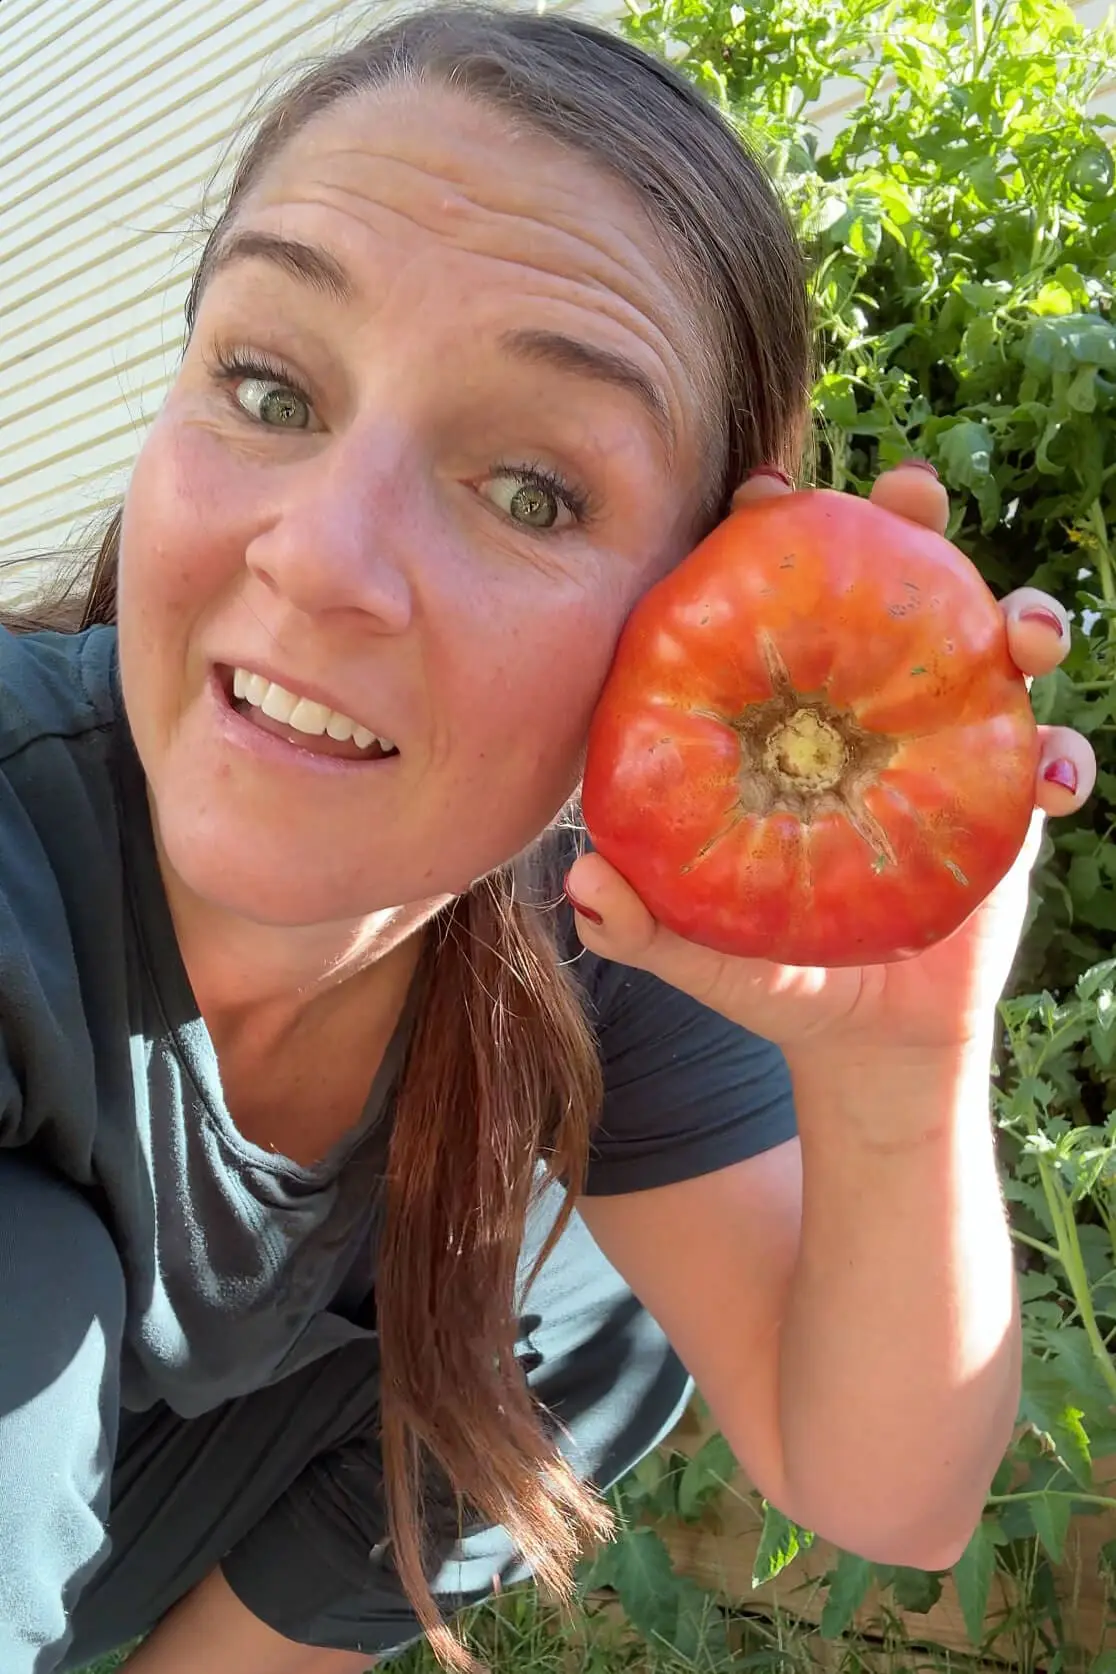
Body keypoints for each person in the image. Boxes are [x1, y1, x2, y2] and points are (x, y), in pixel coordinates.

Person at [0, 6, 1095, 1673]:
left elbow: (893, 1495)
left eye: (533, 493)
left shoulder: (587, 934)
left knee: (579, 1303)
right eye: (269, 383)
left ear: (688, 615)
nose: (325, 557)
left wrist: (907, 1066)